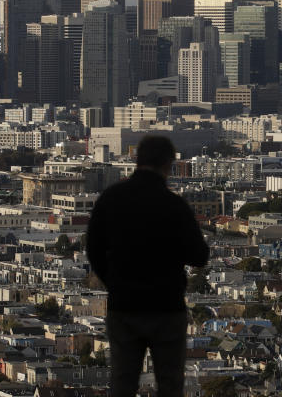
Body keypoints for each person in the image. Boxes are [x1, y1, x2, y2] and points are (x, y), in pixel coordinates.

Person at [87, 134, 209, 397]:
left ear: (135, 160)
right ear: (169, 164)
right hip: (166, 306)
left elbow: (93, 249)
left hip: (124, 305)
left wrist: (115, 282)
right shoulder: (174, 205)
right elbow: (200, 255)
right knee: (170, 383)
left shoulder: (111, 199)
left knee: (123, 381)